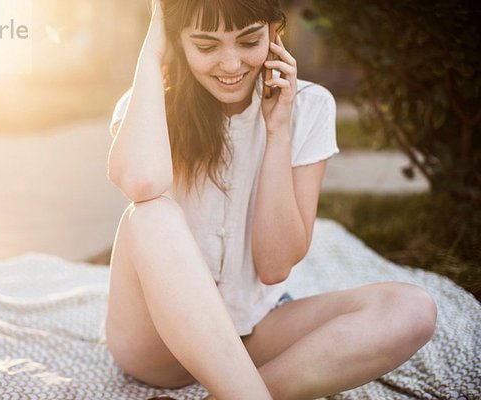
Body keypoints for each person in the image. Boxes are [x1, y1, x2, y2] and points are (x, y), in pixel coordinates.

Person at [104, 1, 438, 399]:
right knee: (151, 215)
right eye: (206, 47)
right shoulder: (149, 103)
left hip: (248, 333)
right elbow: (142, 183)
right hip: (153, 345)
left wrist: (277, 129)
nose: (230, 65)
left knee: (412, 309)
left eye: (248, 42)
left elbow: (275, 265)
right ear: (178, 43)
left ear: (275, 33)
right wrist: (154, 47)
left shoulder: (310, 106)